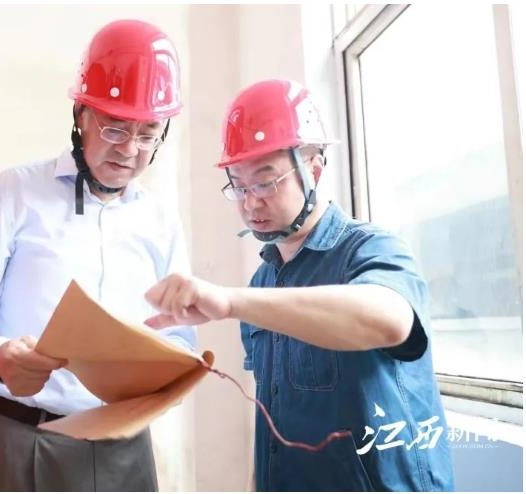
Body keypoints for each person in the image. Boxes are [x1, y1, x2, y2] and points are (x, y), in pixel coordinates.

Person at [144, 79, 455, 491]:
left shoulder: (372, 249)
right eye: (238, 185)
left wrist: (232, 302)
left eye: (265, 182)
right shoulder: (262, 283)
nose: (250, 202)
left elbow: (391, 321)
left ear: (314, 168)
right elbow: (270, 416)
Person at [0, 19, 195, 492]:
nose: (130, 150)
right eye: (115, 128)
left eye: (148, 133)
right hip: (23, 437)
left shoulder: (160, 220)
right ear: (81, 115)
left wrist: (173, 370)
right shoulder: (14, 192)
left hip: (126, 445)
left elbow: (179, 335)